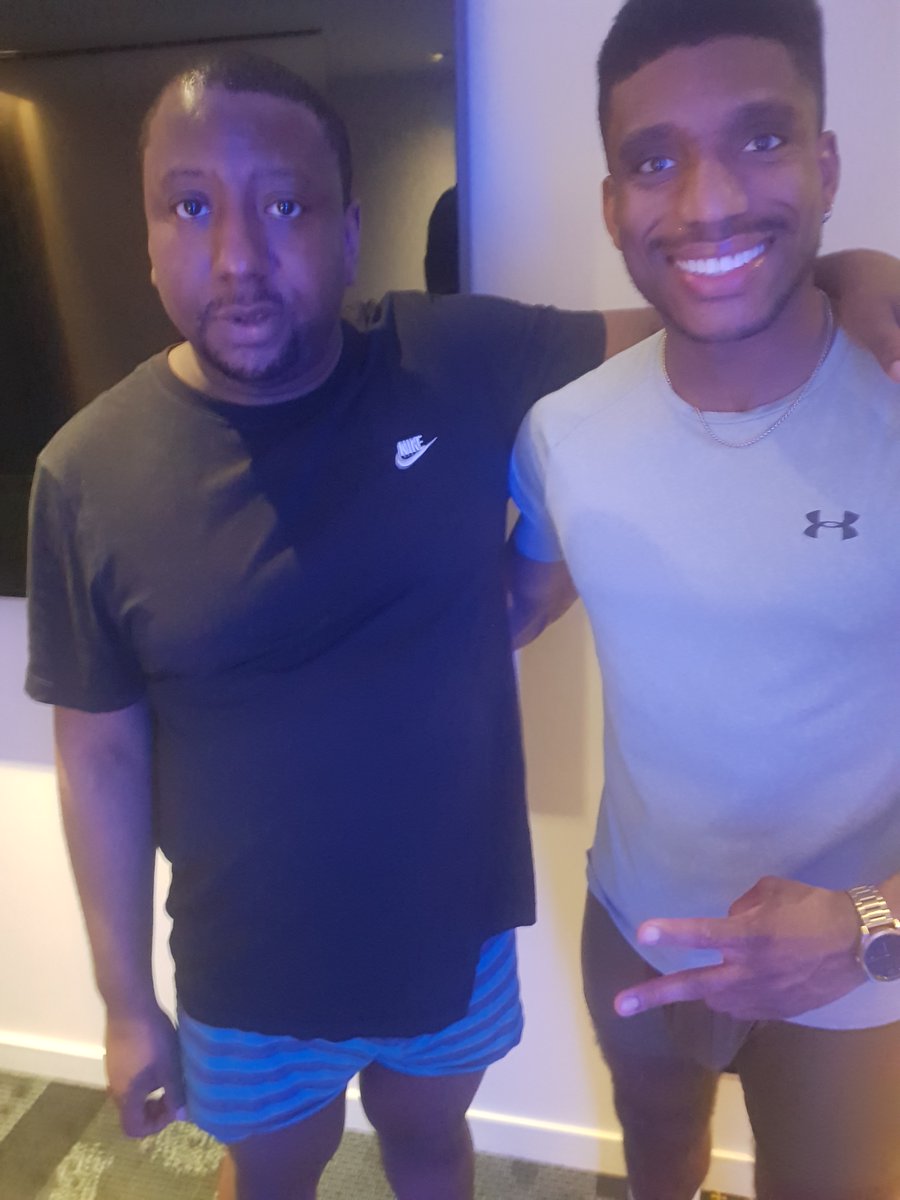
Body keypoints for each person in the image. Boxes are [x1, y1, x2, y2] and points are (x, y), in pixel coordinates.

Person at [24, 48, 900, 1200]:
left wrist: (842, 270)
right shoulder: (84, 475)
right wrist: (125, 1001)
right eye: (190, 207)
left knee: (435, 1151)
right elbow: (96, 753)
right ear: (146, 234)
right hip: (247, 967)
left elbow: (688, 309)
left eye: (286, 206)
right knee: (269, 1180)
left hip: (453, 932)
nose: (237, 255)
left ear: (349, 232)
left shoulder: (453, 359)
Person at [508, 2, 900, 1199]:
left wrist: (871, 926)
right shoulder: (562, 434)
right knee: (656, 1165)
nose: (708, 202)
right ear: (611, 202)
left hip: (853, 964)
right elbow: (512, 604)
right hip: (636, 925)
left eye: (761, 140)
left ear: (826, 163)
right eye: (655, 160)